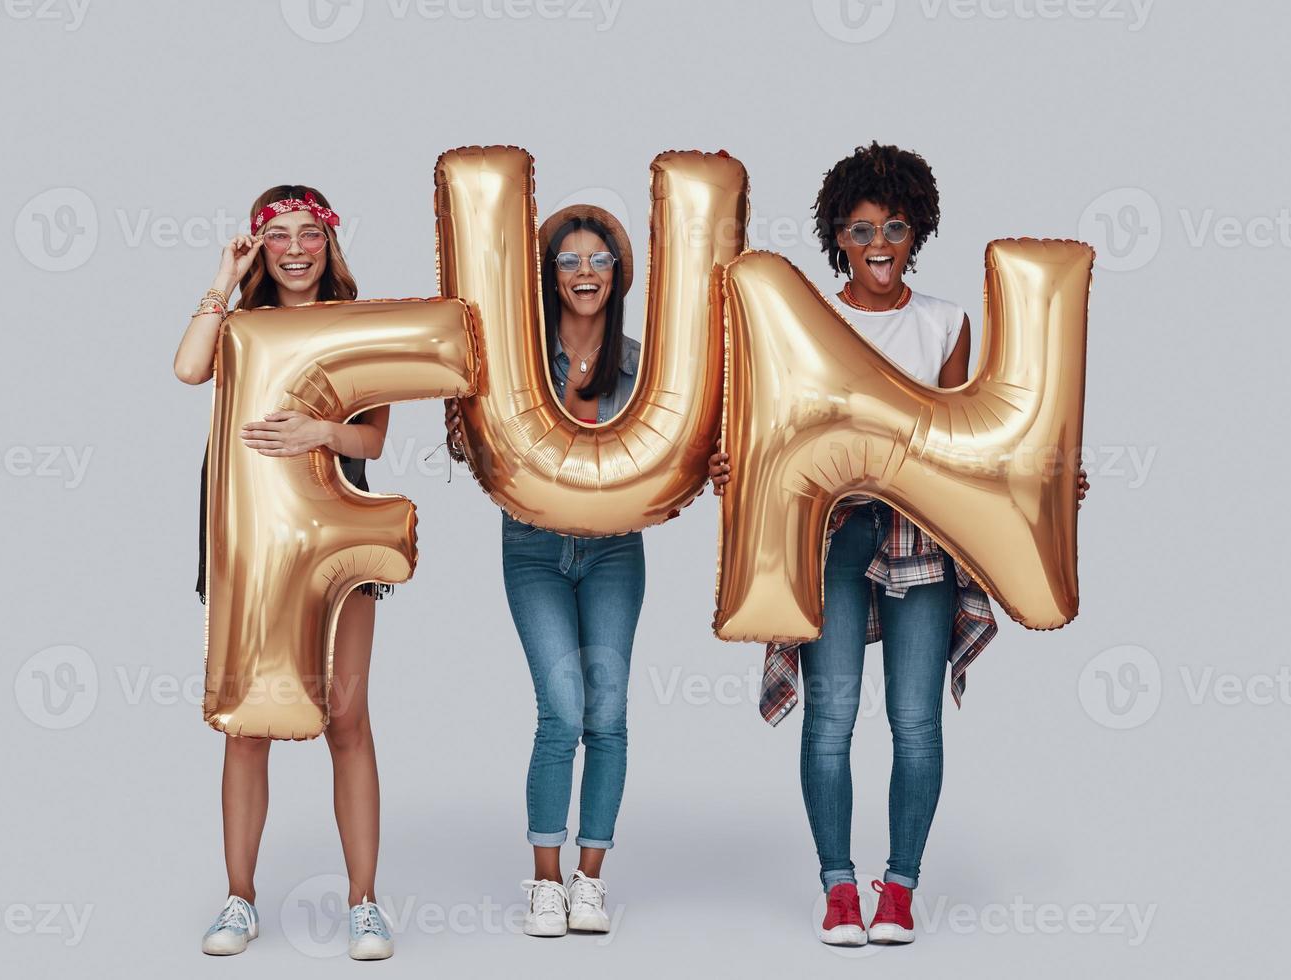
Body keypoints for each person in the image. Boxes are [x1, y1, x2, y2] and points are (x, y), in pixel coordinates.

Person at [708, 143, 1089, 947]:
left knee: (915, 721)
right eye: (860, 228)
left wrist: (1044, 481)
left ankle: (900, 888)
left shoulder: (946, 322)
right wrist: (731, 465)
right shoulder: (806, 318)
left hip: (924, 540)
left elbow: (973, 440)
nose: (878, 242)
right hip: (832, 538)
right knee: (832, 715)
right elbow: (770, 429)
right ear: (835, 236)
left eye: (894, 226)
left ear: (916, 231)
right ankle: (838, 889)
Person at [173, 186, 394, 960]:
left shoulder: (362, 331)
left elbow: (370, 444)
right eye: (276, 237)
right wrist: (220, 276)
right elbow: (186, 367)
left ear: (330, 243)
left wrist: (319, 430)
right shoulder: (238, 326)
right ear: (259, 249)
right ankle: (239, 900)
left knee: (346, 718)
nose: (294, 249)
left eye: (309, 234)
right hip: (250, 546)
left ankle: (364, 903)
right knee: (248, 723)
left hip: (338, 540)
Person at [445, 204, 644, 938]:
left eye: (597, 260)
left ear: (617, 273)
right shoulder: (517, 359)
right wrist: (464, 422)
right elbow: (476, 453)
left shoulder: (642, 364)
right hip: (532, 547)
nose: (584, 274)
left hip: (616, 548)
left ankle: (591, 880)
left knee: (609, 716)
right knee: (561, 711)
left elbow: (667, 456)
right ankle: (545, 881)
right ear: (548, 275)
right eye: (569, 261)